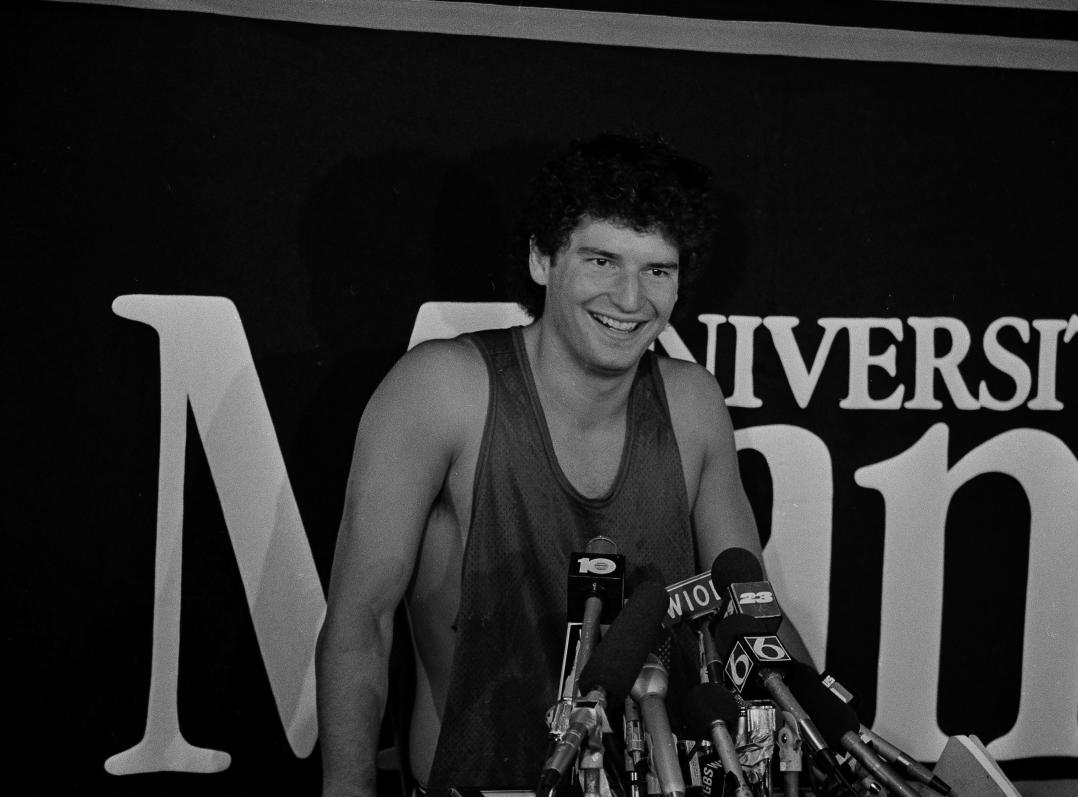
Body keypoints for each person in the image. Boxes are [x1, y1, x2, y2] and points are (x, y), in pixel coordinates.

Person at [317, 133, 802, 797]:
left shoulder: (692, 403)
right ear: (542, 258)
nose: (631, 298)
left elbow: (754, 615)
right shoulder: (440, 390)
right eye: (603, 260)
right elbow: (359, 622)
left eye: (657, 270)